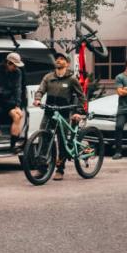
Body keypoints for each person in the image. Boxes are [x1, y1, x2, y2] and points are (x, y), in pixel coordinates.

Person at [34, 52, 86, 180]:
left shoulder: (72, 79)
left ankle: (60, 169)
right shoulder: (48, 77)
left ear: (67, 63)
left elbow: (81, 97)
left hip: (63, 113)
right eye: (57, 59)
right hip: (49, 112)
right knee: (44, 139)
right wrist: (37, 99)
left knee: (62, 142)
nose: (58, 60)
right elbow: (41, 90)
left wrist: (78, 112)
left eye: (62, 59)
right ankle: (42, 168)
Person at [0, 52, 27, 147]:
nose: (16, 68)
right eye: (14, 65)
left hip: (9, 100)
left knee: (17, 115)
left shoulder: (17, 72)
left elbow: (18, 88)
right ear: (8, 63)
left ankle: (13, 144)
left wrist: (17, 105)